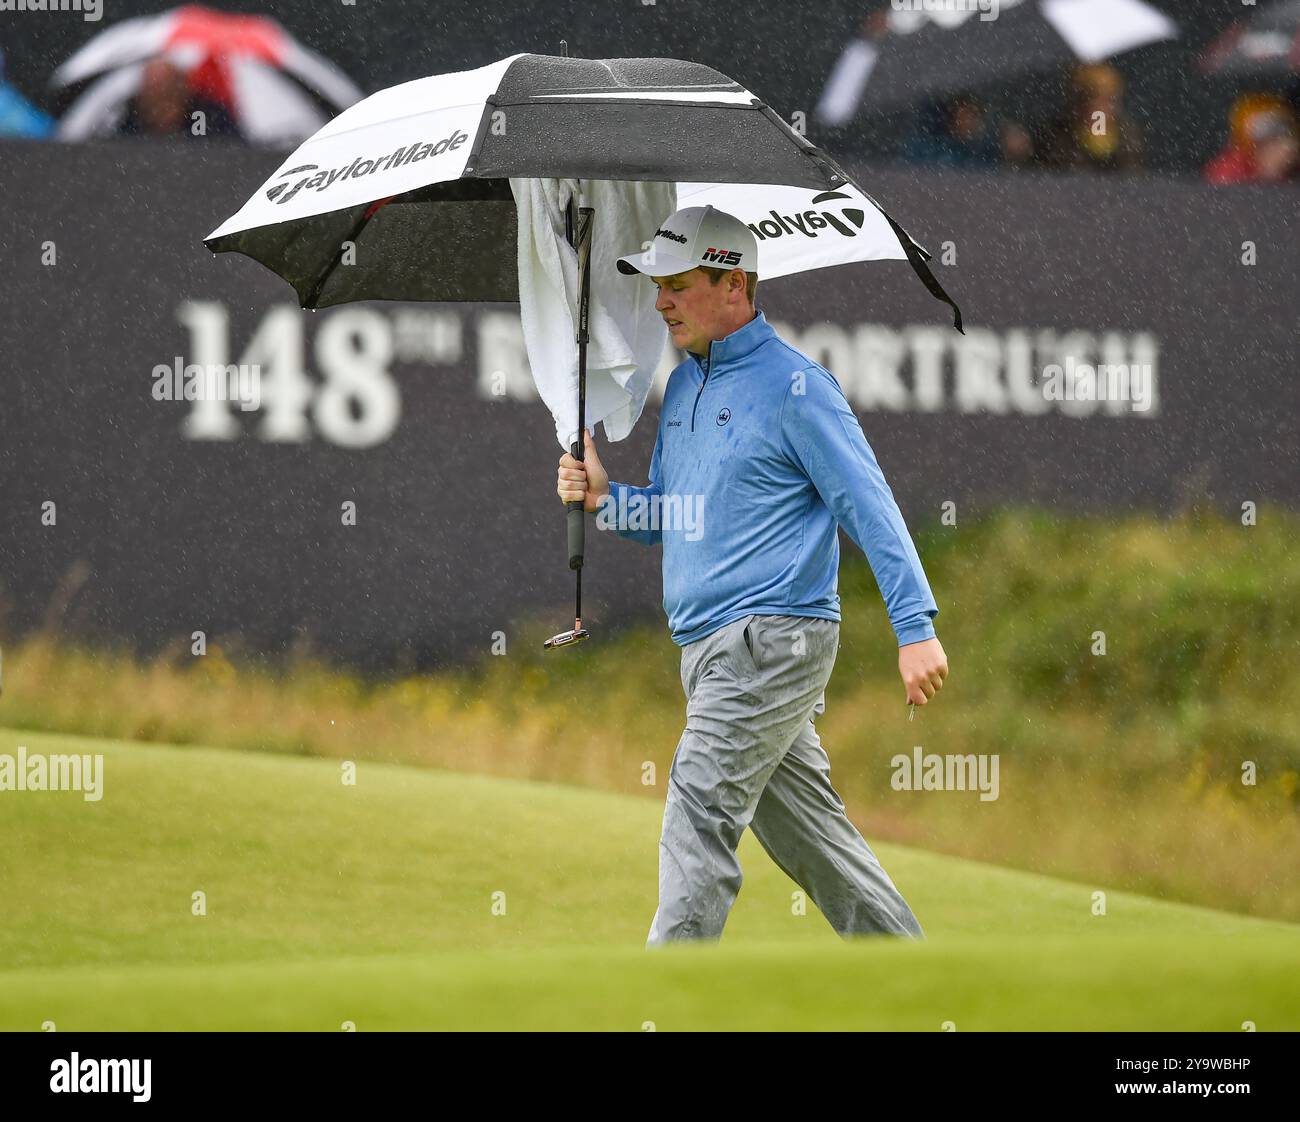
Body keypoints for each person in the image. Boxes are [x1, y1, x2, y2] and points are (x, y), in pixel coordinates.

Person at [555, 205, 946, 947]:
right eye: (658, 285)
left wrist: (915, 626)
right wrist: (607, 500)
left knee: (697, 803)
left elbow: (871, 507)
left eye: (676, 284)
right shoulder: (683, 394)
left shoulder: (798, 388)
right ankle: (914, 980)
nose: (661, 300)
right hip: (707, 654)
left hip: (772, 640)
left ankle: (666, 1003)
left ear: (733, 284)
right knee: (813, 842)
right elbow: (676, 516)